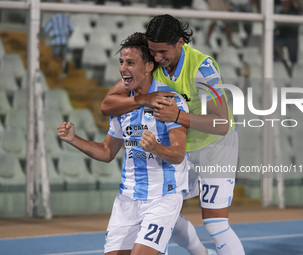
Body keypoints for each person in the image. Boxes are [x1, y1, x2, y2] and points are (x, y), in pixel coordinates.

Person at [101, 14, 245, 255]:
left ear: (180, 42)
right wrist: (143, 99)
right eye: (152, 51)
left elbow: (221, 122)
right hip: (182, 148)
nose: (157, 58)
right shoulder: (154, 64)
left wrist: (176, 116)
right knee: (168, 213)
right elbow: (107, 105)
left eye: (162, 52)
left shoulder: (203, 68)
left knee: (215, 223)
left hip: (216, 146)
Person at [58, 32, 190, 255]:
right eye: (121, 62)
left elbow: (178, 154)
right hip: (127, 199)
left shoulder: (169, 100)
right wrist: (73, 140)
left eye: (130, 62)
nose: (123, 68)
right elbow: (107, 151)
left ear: (149, 66)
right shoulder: (123, 106)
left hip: (162, 197)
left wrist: (155, 147)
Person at [274, 0, 302, 76]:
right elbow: (278, 25)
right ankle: (284, 62)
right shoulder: (281, 13)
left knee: (293, 56)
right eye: (283, 2)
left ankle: (292, 69)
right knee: (275, 43)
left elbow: (299, 11)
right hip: (282, 36)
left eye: (286, 2)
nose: (284, 3)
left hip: (292, 37)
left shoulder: (294, 12)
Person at [43, 12, 73, 76]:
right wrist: (68, 36)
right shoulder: (66, 19)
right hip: (65, 40)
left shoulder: (52, 19)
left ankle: (60, 69)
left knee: (55, 56)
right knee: (62, 56)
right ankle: (63, 68)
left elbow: (46, 29)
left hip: (56, 40)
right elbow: (71, 29)